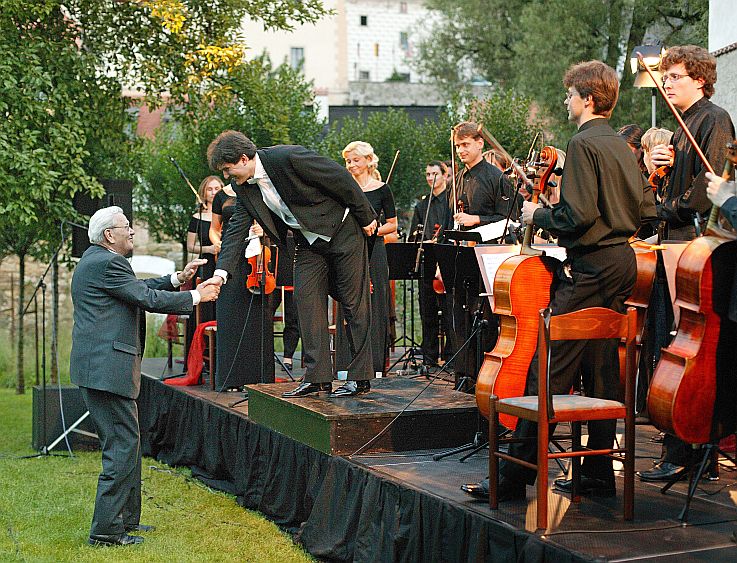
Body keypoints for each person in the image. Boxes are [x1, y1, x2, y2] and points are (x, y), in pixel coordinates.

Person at [462, 60, 656, 500]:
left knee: (545, 370)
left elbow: (577, 216)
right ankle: (597, 474)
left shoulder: (584, 142)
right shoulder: (624, 148)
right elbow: (647, 211)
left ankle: (515, 479)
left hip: (590, 268)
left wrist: (539, 214)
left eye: (569, 95)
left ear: (587, 99)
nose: (566, 101)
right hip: (623, 262)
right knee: (602, 369)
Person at [70, 206, 220, 546]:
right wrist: (197, 295)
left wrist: (178, 279)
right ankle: (106, 532)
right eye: (127, 227)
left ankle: (125, 521)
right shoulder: (108, 262)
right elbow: (145, 297)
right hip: (107, 370)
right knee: (121, 447)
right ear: (110, 235)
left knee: (127, 443)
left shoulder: (97, 260)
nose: (132, 232)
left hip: (102, 368)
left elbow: (135, 287)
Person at [205, 130, 378, 398]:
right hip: (306, 242)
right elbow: (235, 231)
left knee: (354, 304)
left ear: (242, 159)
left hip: (343, 231)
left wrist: (366, 216)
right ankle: (317, 377)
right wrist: (220, 274)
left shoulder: (287, 157)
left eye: (228, 170)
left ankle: (360, 377)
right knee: (306, 304)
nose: (228, 177)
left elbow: (339, 177)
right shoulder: (244, 187)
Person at [638, 44, 735, 483]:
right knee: (671, 345)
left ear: (699, 78)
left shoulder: (713, 119)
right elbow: (664, 192)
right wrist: (656, 168)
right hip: (672, 246)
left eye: (675, 76)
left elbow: (707, 189)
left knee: (693, 349)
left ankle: (695, 451)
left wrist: (669, 205)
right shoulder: (677, 129)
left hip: (694, 246)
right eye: (667, 76)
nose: (668, 83)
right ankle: (678, 440)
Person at [447, 121, 519, 389]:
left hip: (490, 256)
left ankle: (485, 375)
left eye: (465, 144)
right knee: (461, 315)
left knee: (485, 317)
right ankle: (464, 373)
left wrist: (475, 219)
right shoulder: (457, 179)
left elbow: (509, 220)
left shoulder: (496, 178)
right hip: (463, 256)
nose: (461, 150)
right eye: (457, 146)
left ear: (480, 143)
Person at [335, 141, 396, 376]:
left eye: (355, 160)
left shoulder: (382, 189)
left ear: (369, 161)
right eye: (348, 161)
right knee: (348, 302)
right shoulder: (344, 189)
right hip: (349, 251)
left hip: (374, 250)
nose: (351, 165)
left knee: (376, 303)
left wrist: (372, 230)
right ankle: (346, 365)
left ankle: (375, 366)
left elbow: (393, 226)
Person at [409, 160, 454, 365]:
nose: (430, 178)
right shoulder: (421, 206)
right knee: (427, 310)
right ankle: (429, 356)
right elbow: (413, 236)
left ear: (445, 175)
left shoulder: (451, 202)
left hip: (446, 259)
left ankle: (451, 356)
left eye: (434, 173)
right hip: (427, 259)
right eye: (427, 174)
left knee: (448, 311)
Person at [185, 176, 222, 349]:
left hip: (223, 264)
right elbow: (190, 246)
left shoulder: (227, 213)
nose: (214, 192)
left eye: (217, 188)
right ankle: (204, 351)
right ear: (204, 192)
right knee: (206, 306)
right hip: (206, 265)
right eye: (210, 189)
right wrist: (209, 249)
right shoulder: (197, 217)